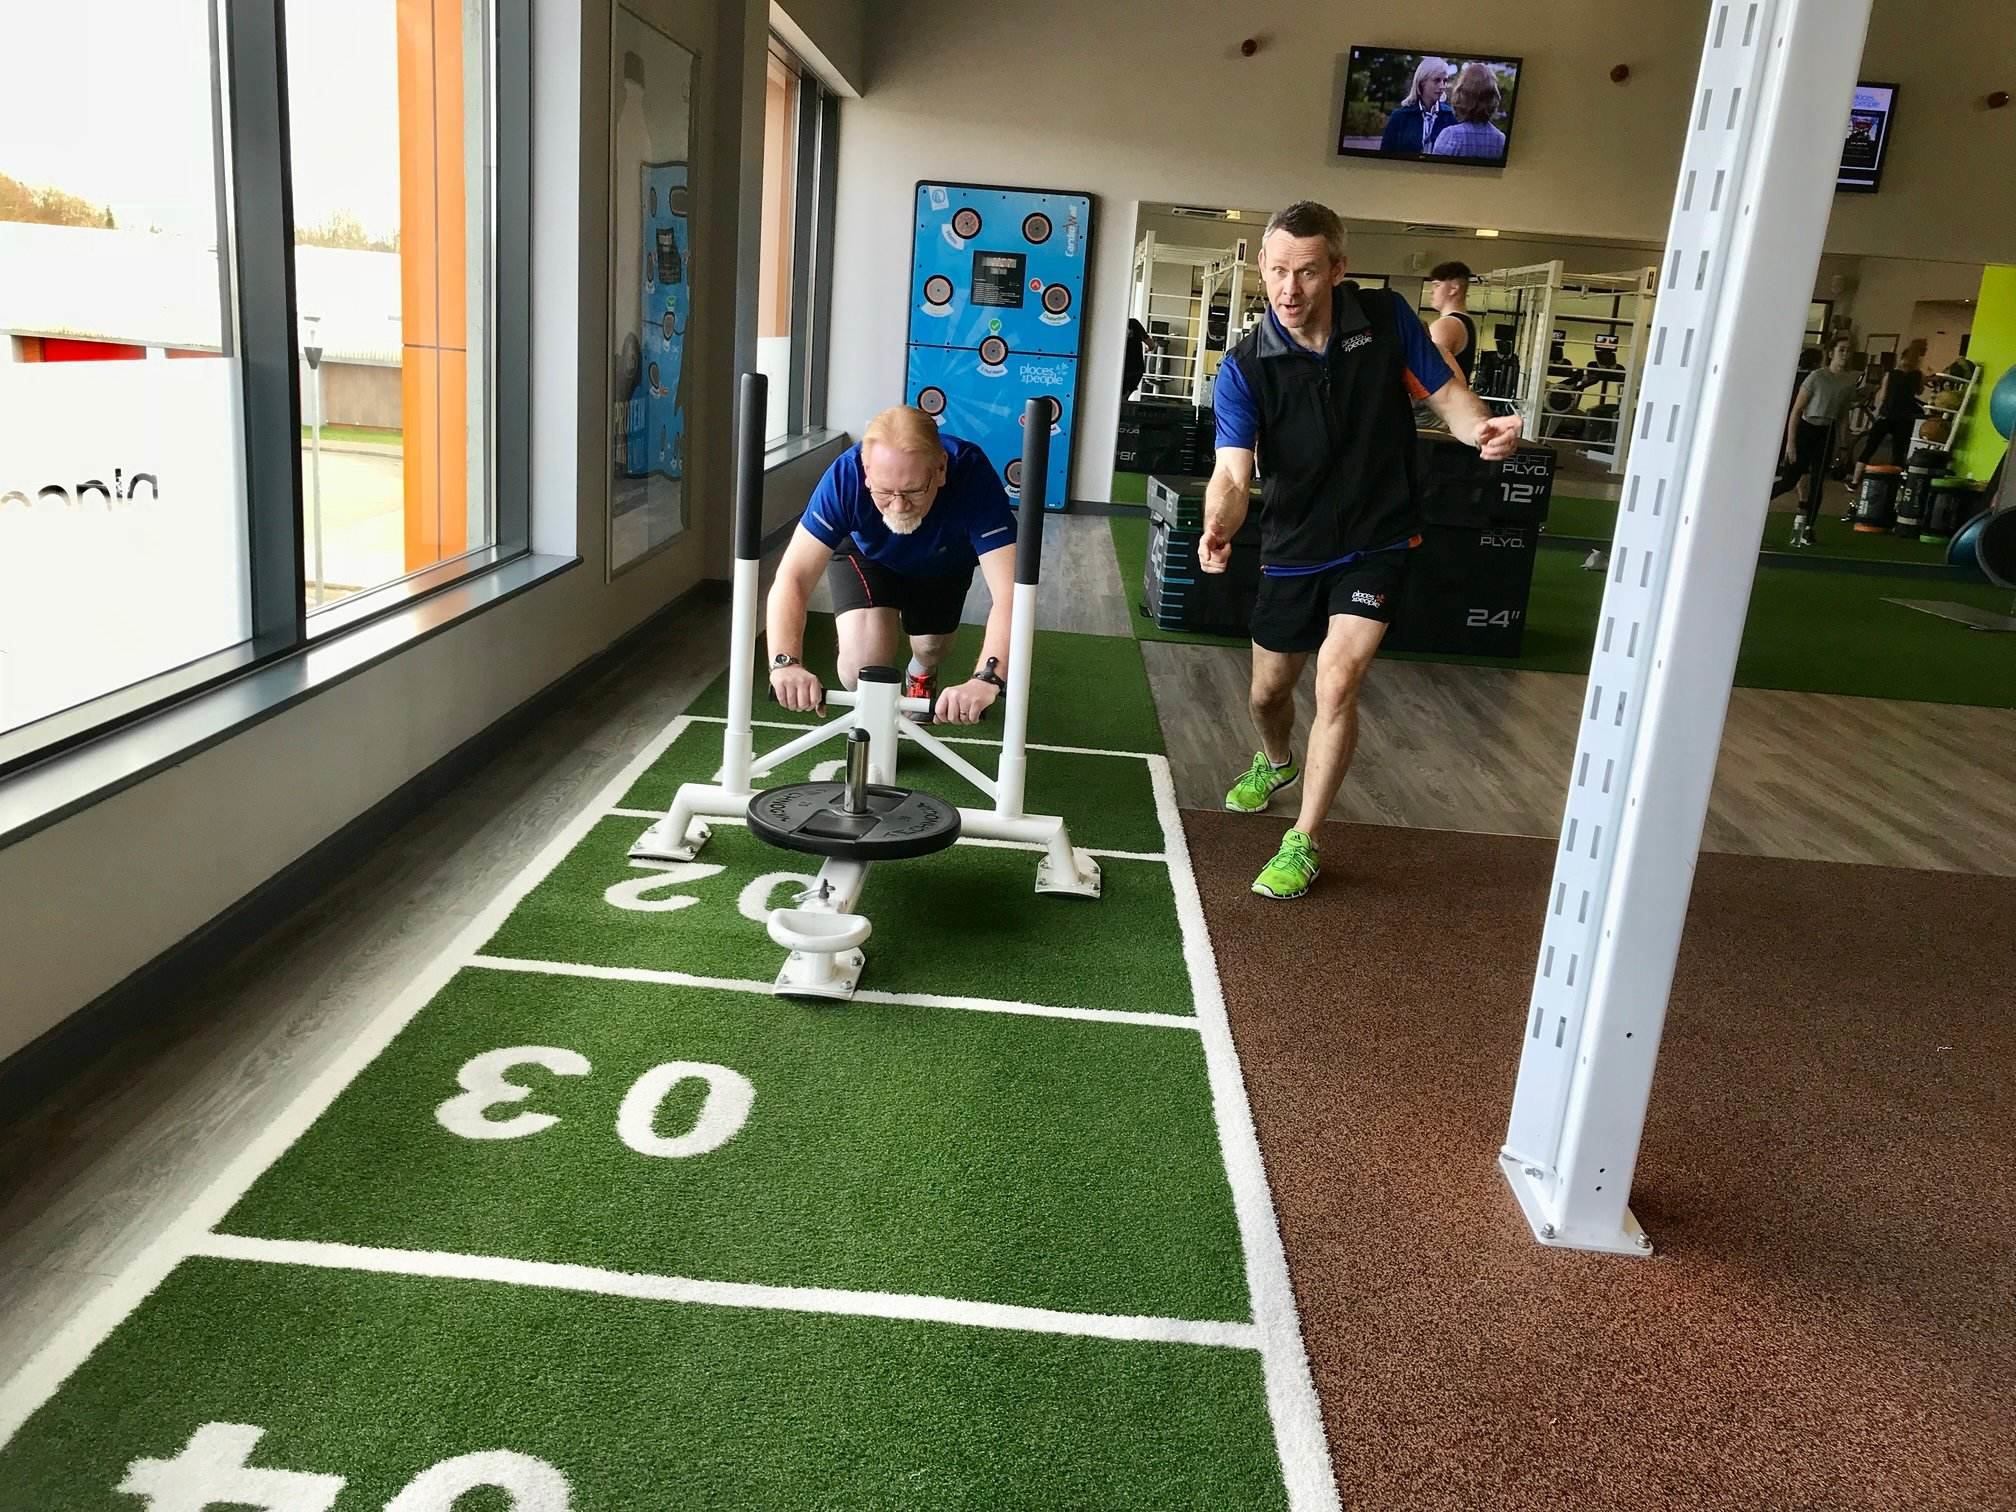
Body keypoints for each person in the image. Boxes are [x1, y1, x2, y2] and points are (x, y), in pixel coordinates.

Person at [1200, 201, 1522, 900]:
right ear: (1263, 268)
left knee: (1338, 681)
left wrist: (1482, 433)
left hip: (1378, 537)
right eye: (1279, 271)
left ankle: (1304, 840)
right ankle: (1276, 759)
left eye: (1308, 273)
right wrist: (1218, 526)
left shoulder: (1384, 320)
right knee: (1268, 692)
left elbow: (1450, 398)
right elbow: (1232, 472)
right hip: (1293, 542)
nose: (1290, 289)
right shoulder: (1247, 367)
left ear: (1338, 270)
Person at [767, 406, 1016, 726]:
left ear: (940, 470)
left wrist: (987, 677)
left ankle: (922, 671)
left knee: (931, 647)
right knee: (861, 668)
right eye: (884, 492)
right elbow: (794, 576)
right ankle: (876, 730)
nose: (898, 506)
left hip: (943, 558)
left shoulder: (972, 477)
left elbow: (1010, 595)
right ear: (867, 471)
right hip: (867, 552)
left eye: (913, 491)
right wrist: (785, 662)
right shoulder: (846, 477)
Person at [1774, 336, 1856, 546]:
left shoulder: (1848, 382)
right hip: (1806, 429)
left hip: (1826, 433)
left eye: (1848, 351)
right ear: (1831, 353)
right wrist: (1791, 443)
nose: (1845, 355)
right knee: (1789, 481)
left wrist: (1843, 445)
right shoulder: (1816, 377)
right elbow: (1796, 410)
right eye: (1841, 350)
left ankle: (1809, 527)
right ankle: (1754, 509)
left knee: (1818, 482)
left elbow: (1843, 416)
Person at [1851, 338, 1928, 484]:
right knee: (1898, 452)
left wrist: (1878, 411)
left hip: (1887, 415)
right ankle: (1894, 483)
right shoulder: (1918, 375)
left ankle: (1854, 481)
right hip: (1905, 418)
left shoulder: (1891, 374)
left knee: (1869, 448)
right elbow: (1919, 391)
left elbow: (1883, 396)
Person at [1430, 62, 1509, 160]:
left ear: (1461, 94)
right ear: (1493, 97)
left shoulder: (1451, 136)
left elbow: (1435, 173)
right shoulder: (1500, 140)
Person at [1378, 56, 1454, 155]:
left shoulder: (1451, 117)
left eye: (1445, 81)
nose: (1442, 86)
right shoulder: (1400, 117)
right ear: (1422, 82)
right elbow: (1384, 155)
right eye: (1437, 80)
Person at [1424, 261, 1477, 384]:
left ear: (1453, 289)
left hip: (1440, 401)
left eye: (1437, 285)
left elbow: (1428, 375)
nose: (1431, 291)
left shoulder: (1447, 325)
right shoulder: (1466, 323)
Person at [1123, 318, 1150, 401]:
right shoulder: (1134, 323)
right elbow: (1150, 343)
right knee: (1124, 398)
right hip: (1136, 368)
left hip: (1122, 368)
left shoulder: (1115, 324)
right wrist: (1150, 347)